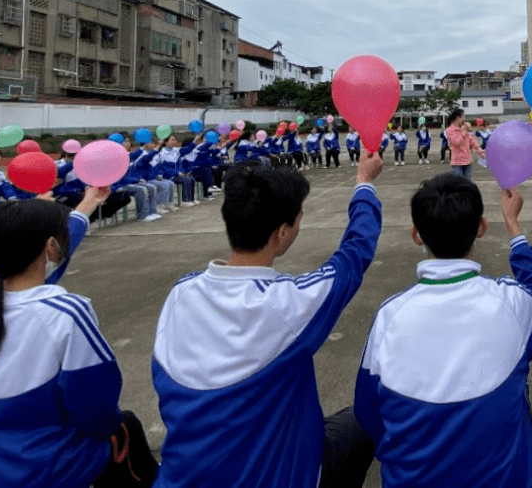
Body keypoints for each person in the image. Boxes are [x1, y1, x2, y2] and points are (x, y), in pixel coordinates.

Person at [152, 151, 384, 488]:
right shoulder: (287, 305)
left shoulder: (180, 293)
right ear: (283, 232)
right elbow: (355, 253)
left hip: (180, 478)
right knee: (363, 421)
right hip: (281, 478)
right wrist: (364, 185)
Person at [354, 175, 532, 488]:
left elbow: (368, 411)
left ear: (416, 235)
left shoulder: (389, 316)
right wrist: (513, 225)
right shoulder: (511, 303)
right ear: (482, 228)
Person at [0, 189, 159, 487]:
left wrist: (89, 203)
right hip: (37, 471)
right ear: (51, 247)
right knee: (125, 427)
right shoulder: (66, 312)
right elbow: (96, 412)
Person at [445, 109, 483, 180]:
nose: (463, 120)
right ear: (457, 118)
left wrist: (479, 150)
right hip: (457, 163)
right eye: (462, 117)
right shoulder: (450, 130)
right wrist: (465, 131)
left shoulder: (464, 128)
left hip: (468, 161)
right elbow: (456, 142)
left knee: (468, 184)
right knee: (459, 185)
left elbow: (472, 140)